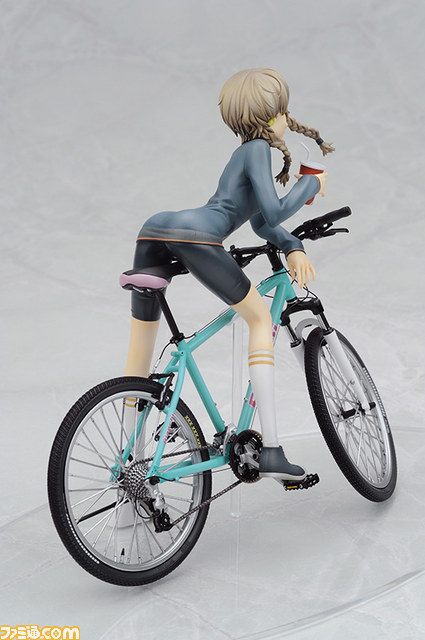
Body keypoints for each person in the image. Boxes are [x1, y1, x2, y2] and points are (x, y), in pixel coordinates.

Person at [124, 67, 333, 481]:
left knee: (140, 350)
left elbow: (260, 223)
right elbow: (274, 210)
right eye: (283, 111)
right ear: (272, 116)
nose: (287, 118)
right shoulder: (257, 150)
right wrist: (310, 185)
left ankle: (128, 459)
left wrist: (292, 244)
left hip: (156, 229)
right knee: (259, 319)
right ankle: (271, 450)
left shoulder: (242, 156)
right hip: (197, 236)